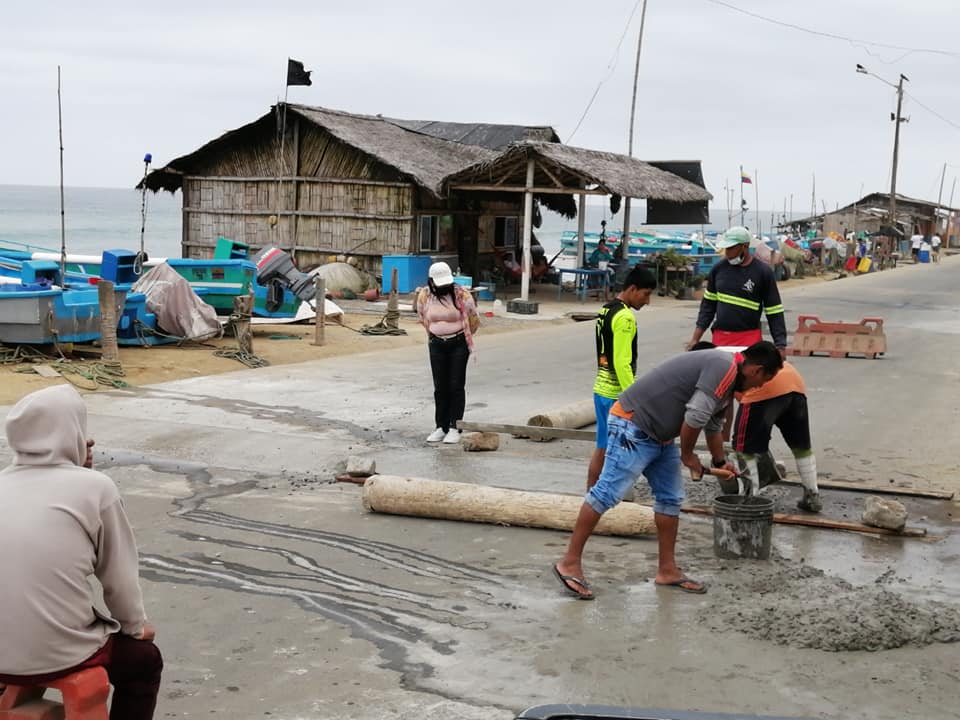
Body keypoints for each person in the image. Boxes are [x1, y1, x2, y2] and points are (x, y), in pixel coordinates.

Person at [552, 342, 783, 599]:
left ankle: (667, 570)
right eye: (763, 381)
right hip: (633, 425)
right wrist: (688, 455)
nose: (758, 387)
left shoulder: (729, 384)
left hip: (660, 436)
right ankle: (569, 562)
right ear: (756, 370)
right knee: (606, 493)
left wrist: (720, 463)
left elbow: (713, 426)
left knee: (670, 499)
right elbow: (695, 416)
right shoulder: (724, 367)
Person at [0, 385, 162, 720]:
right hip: (59, 655)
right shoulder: (96, 488)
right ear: (72, 431)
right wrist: (135, 627)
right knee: (144, 661)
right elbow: (119, 579)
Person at [692, 342, 822, 513]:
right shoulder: (728, 353)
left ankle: (749, 500)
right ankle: (812, 496)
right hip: (793, 381)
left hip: (765, 385)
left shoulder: (715, 365)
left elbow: (713, 410)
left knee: (744, 447)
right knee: (800, 446)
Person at [588, 266, 658, 491]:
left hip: (600, 390)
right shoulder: (625, 317)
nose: (647, 301)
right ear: (632, 289)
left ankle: (591, 494)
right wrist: (634, 398)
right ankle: (605, 496)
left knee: (602, 447)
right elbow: (621, 362)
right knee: (619, 451)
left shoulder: (607, 309)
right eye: (645, 294)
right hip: (615, 396)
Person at [688, 226, 787, 355]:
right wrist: (695, 339)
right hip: (721, 338)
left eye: (731, 248)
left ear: (745, 246)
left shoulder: (763, 272)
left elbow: (774, 311)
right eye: (726, 248)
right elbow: (708, 307)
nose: (727, 253)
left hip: (750, 339)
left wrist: (780, 346)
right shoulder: (718, 269)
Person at [416, 262, 480, 444]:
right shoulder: (425, 296)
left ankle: (454, 427)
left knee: (456, 385)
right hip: (436, 344)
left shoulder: (462, 294)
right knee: (440, 386)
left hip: (458, 343)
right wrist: (436, 333)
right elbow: (422, 316)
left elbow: (473, 318)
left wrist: (462, 335)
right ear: (431, 282)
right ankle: (441, 426)